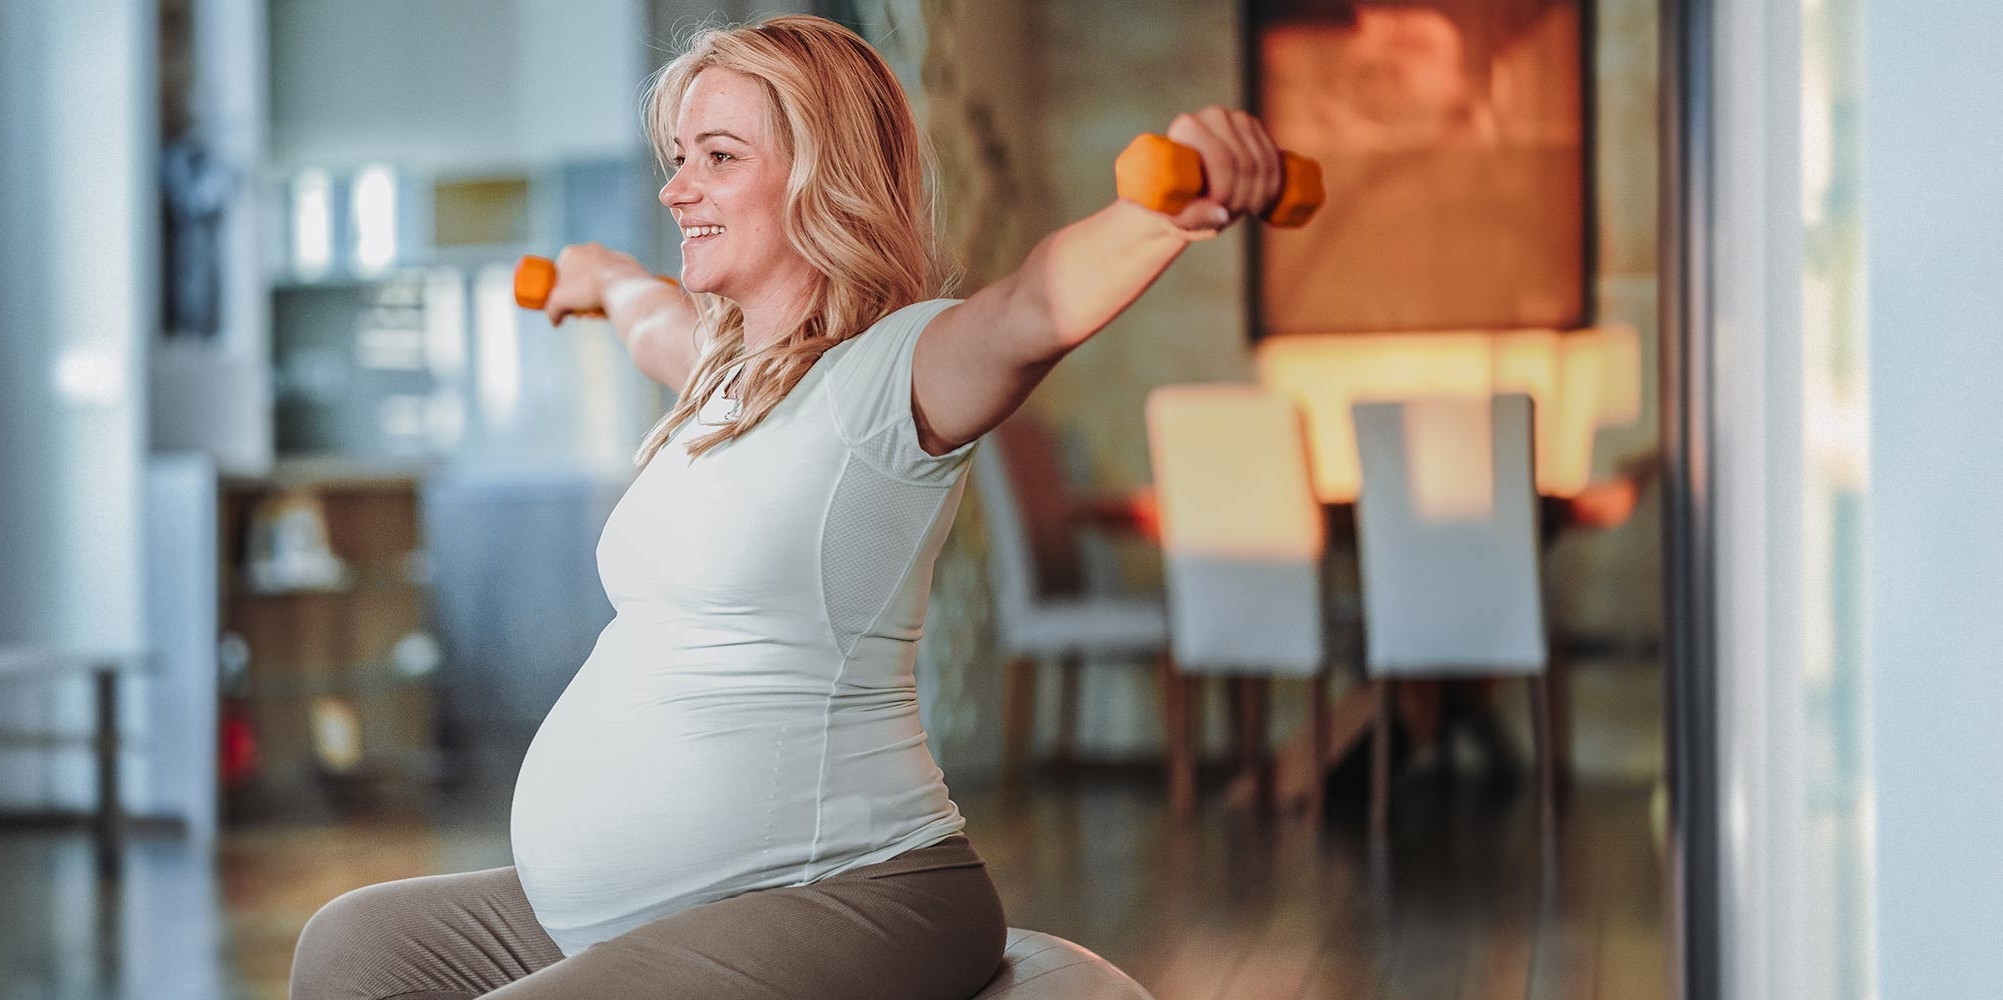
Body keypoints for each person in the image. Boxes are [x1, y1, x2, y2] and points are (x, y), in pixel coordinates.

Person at [290, 14, 1284, 999]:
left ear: (823, 173)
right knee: (351, 947)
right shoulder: (721, 380)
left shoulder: (895, 373)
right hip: (649, 902)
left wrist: (1169, 210)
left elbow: (1031, 309)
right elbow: (652, 321)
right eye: (680, 156)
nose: (678, 189)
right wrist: (604, 283)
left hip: (846, 892)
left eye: (718, 157)